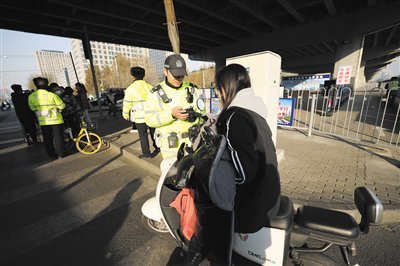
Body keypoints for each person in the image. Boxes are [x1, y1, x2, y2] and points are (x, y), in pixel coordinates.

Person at [185, 64, 282, 265]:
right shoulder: (256, 112)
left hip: (253, 206)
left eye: (218, 89)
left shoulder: (233, 117)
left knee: (209, 202)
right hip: (271, 195)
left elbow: (243, 173)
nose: (219, 95)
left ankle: (202, 250)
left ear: (225, 88)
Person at [144, 54, 204, 159]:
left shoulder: (193, 89)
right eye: (175, 75)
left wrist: (195, 117)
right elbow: (149, 120)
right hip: (171, 148)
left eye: (181, 75)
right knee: (173, 174)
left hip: (193, 143)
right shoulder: (155, 93)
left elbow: (202, 112)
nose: (179, 78)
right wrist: (171, 115)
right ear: (165, 71)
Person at [123, 67, 159, 158]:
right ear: (144, 75)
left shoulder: (130, 89)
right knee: (153, 132)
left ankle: (147, 154)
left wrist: (125, 114)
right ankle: (158, 147)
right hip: (151, 114)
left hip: (139, 116)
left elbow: (127, 103)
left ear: (132, 76)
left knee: (143, 135)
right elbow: (156, 100)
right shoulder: (149, 86)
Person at [28, 77, 66, 159]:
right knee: (58, 136)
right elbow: (62, 105)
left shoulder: (31, 96)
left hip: (43, 121)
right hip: (56, 119)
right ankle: (60, 154)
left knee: (47, 138)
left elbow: (32, 108)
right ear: (46, 85)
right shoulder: (52, 95)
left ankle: (51, 154)